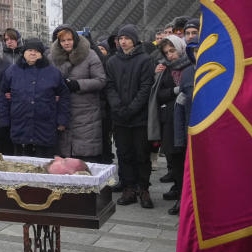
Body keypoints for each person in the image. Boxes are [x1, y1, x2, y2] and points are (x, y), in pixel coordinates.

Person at [105, 24, 156, 208]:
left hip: (139, 118)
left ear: (134, 40)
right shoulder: (112, 61)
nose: (123, 41)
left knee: (141, 154)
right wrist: (118, 108)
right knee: (124, 153)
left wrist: (132, 109)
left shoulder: (145, 60)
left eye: (126, 38)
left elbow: (145, 88)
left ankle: (143, 188)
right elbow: (109, 86)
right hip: (119, 119)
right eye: (120, 38)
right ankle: (129, 188)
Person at [0, 39, 70, 158]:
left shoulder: (53, 72)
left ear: (42, 54)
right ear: (23, 52)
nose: (33, 53)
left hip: (45, 127)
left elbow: (64, 96)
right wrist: (4, 120)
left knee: (44, 166)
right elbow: (2, 96)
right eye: (30, 50)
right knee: (21, 166)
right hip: (20, 125)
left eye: (36, 51)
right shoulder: (12, 71)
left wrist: (62, 120)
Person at [148, 35, 194, 214]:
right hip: (169, 121)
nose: (170, 55)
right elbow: (159, 94)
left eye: (172, 50)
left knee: (187, 162)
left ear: (180, 48)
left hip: (188, 120)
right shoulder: (164, 69)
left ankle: (188, 199)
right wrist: (175, 90)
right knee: (174, 160)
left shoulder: (192, 66)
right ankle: (180, 197)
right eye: (166, 52)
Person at [49, 25, 106, 163]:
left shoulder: (90, 54)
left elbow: (101, 80)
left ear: (75, 39)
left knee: (85, 159)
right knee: (64, 160)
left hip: (86, 112)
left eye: (69, 39)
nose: (67, 43)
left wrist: (77, 84)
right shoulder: (52, 58)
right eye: (63, 41)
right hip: (62, 110)